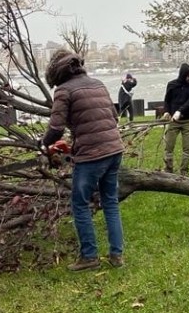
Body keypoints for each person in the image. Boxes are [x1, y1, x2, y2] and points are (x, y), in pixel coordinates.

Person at [42, 50, 126, 271]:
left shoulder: (63, 91)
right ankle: (116, 255)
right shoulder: (98, 84)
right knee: (110, 202)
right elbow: (113, 117)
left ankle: (89, 257)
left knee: (80, 204)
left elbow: (56, 128)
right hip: (114, 149)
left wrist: (43, 144)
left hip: (92, 156)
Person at [161, 64, 189, 175]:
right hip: (173, 121)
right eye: (188, 76)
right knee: (169, 146)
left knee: (187, 147)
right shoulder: (171, 85)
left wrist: (180, 111)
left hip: (188, 121)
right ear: (182, 75)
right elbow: (167, 100)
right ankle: (168, 168)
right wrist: (167, 111)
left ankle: (184, 170)